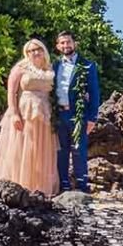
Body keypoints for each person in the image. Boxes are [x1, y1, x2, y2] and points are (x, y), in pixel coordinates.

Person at [0, 40, 61, 195]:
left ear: (43, 50)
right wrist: (14, 114)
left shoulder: (50, 69)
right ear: (27, 53)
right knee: (24, 147)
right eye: (31, 50)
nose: (35, 52)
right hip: (25, 111)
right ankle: (20, 184)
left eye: (38, 49)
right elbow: (11, 92)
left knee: (41, 149)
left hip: (45, 113)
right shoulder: (21, 68)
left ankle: (40, 187)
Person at [53, 31, 101, 193]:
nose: (66, 45)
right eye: (62, 43)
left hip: (78, 114)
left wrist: (92, 118)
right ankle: (63, 183)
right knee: (61, 150)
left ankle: (82, 184)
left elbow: (94, 93)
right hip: (59, 114)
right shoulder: (54, 66)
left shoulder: (87, 66)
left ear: (75, 44)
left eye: (68, 42)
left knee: (79, 149)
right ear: (58, 46)